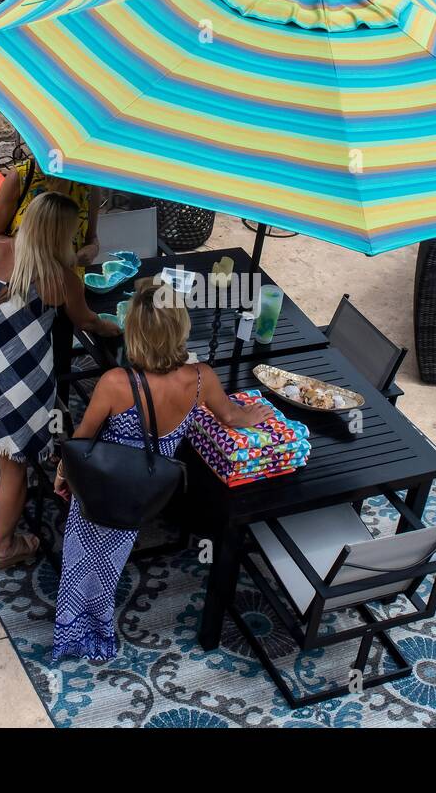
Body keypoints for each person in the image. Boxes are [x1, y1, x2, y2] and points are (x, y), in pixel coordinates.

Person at [51, 279, 273, 662]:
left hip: (104, 479)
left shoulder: (116, 383)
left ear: (135, 331)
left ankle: (76, 628)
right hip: (146, 490)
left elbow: (82, 441)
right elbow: (231, 416)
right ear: (180, 328)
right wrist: (250, 416)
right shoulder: (201, 378)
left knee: (82, 554)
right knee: (111, 557)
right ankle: (100, 622)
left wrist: (61, 474)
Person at [0, 192, 119, 569]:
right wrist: (114, 326)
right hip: (25, 383)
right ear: (61, 234)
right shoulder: (61, 278)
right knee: (15, 464)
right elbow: (87, 322)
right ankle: (5, 547)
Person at [0, 159, 101, 474]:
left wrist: (87, 252)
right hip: (18, 286)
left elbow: (91, 238)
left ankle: (46, 433)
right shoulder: (21, 179)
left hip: (63, 287)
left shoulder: (89, 183)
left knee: (53, 363)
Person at [0, 159, 100, 267]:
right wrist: (28, 247)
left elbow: (91, 237)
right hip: (24, 278)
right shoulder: (22, 176)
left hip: (69, 280)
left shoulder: (88, 185)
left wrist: (93, 249)